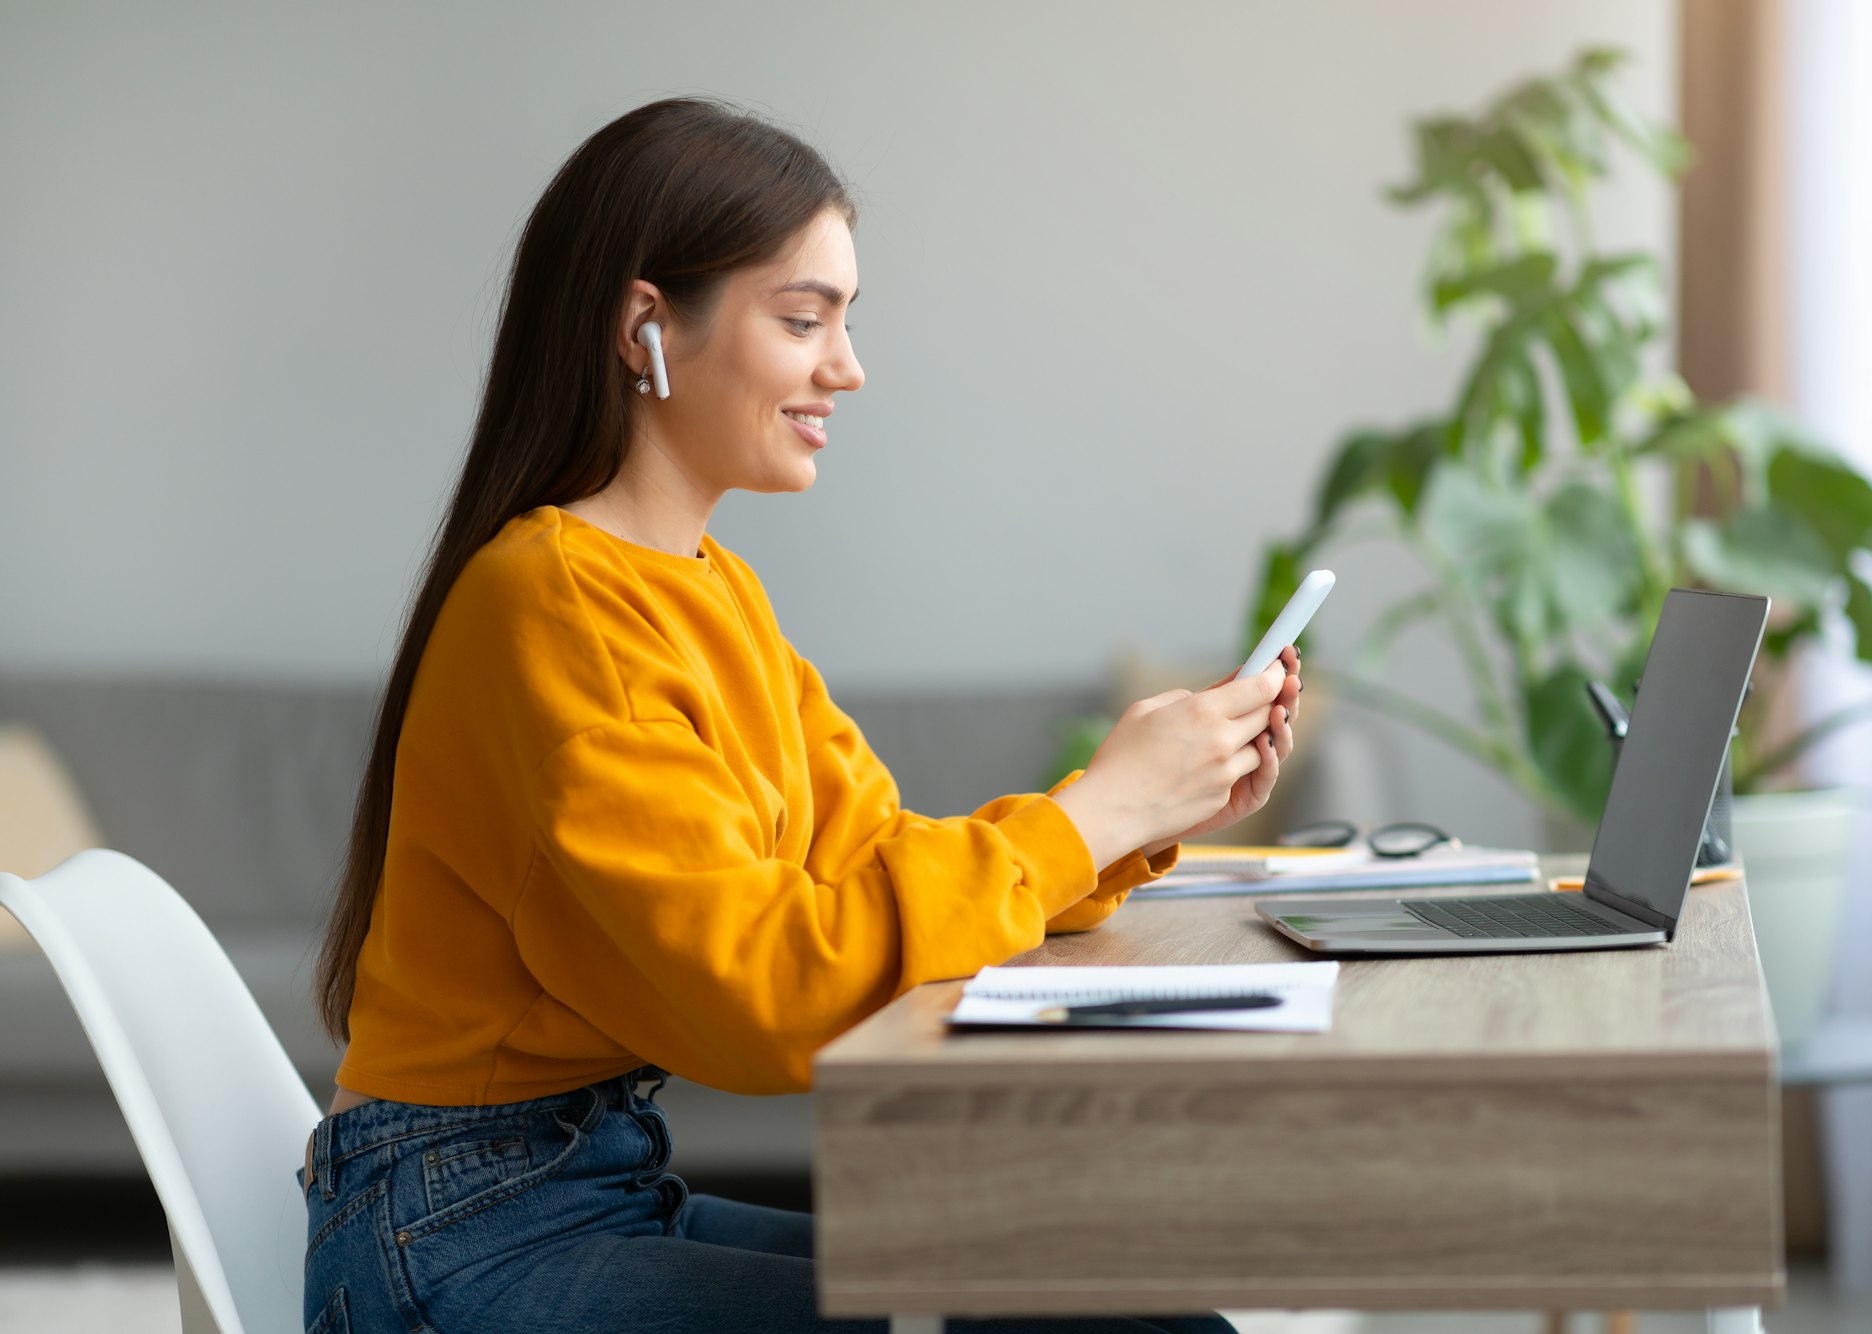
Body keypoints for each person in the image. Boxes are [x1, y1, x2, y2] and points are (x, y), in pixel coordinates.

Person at [300, 97, 1302, 1334]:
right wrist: (1097, 811)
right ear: (645, 327)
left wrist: (1123, 810)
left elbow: (868, 861)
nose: (846, 365)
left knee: (1124, 1311)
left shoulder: (709, 592)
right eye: (801, 317)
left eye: (844, 319)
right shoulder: (553, 601)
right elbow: (773, 993)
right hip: (456, 1241)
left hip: (579, 1192)